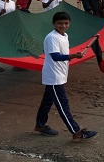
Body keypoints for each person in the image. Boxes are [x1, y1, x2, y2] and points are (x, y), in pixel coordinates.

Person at [33, 11, 98, 142]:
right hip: (54, 76)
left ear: (69, 24)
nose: (63, 26)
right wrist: (73, 56)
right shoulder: (52, 38)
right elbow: (55, 56)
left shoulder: (64, 36)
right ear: (53, 24)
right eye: (60, 23)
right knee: (63, 105)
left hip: (59, 74)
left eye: (66, 23)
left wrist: (70, 57)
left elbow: (62, 54)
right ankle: (76, 132)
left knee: (47, 102)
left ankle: (40, 125)